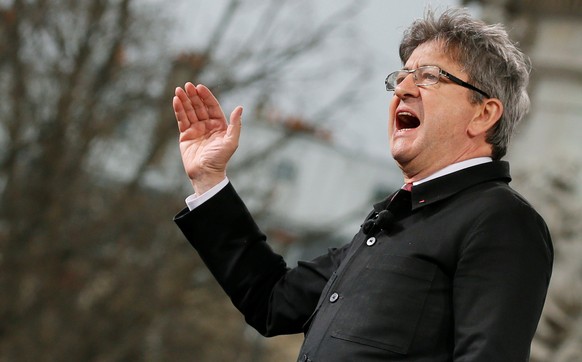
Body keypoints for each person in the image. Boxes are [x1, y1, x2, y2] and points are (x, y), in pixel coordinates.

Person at [172, 8, 553, 361]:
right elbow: (272, 301)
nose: (403, 89)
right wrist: (209, 181)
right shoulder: (392, 220)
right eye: (402, 77)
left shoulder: (501, 220)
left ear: (483, 113)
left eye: (430, 77)